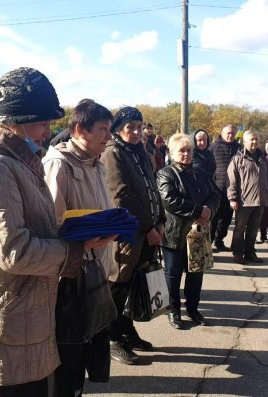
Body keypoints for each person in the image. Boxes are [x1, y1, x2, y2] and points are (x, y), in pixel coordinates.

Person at [0, 67, 85, 397]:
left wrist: (74, 233)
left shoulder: (20, 161)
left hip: (26, 318)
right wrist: (71, 252)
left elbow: (34, 228)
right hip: (8, 326)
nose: (48, 130)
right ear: (15, 120)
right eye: (42, 121)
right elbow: (13, 250)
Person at [42, 99, 117, 396]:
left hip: (95, 270)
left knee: (87, 348)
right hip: (69, 279)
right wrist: (81, 241)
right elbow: (49, 226)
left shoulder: (97, 164)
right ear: (79, 130)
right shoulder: (58, 165)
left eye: (109, 130)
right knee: (68, 355)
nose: (108, 137)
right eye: (102, 129)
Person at [101, 106, 166, 365]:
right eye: (131, 127)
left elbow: (152, 189)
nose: (137, 131)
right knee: (118, 286)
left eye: (139, 126)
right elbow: (122, 197)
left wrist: (160, 220)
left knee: (133, 285)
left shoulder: (139, 151)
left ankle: (127, 331)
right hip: (129, 234)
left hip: (148, 231)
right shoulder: (113, 153)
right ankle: (113, 338)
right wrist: (147, 228)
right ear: (119, 129)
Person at [156, 133, 219, 329]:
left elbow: (214, 194)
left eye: (189, 150)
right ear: (172, 153)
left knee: (196, 274)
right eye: (182, 150)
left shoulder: (199, 173)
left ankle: (193, 308)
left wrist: (209, 210)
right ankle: (173, 310)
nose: (186, 154)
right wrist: (199, 210)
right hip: (174, 234)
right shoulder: (165, 174)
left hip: (197, 234)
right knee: (172, 275)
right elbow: (170, 200)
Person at [227, 130, 268, 264]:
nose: (254, 142)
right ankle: (237, 253)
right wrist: (233, 198)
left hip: (260, 201)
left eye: (256, 139)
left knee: (253, 230)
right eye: (252, 139)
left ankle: (250, 253)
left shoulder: (263, 159)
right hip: (243, 201)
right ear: (245, 141)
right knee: (240, 229)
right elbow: (231, 180)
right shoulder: (237, 159)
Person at [208, 124, 240, 251]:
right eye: (228, 133)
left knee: (226, 219)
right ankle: (209, 244)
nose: (230, 135)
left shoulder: (239, 148)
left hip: (232, 190)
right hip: (216, 189)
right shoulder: (214, 147)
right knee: (213, 219)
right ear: (222, 133)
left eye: (232, 133)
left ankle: (219, 240)